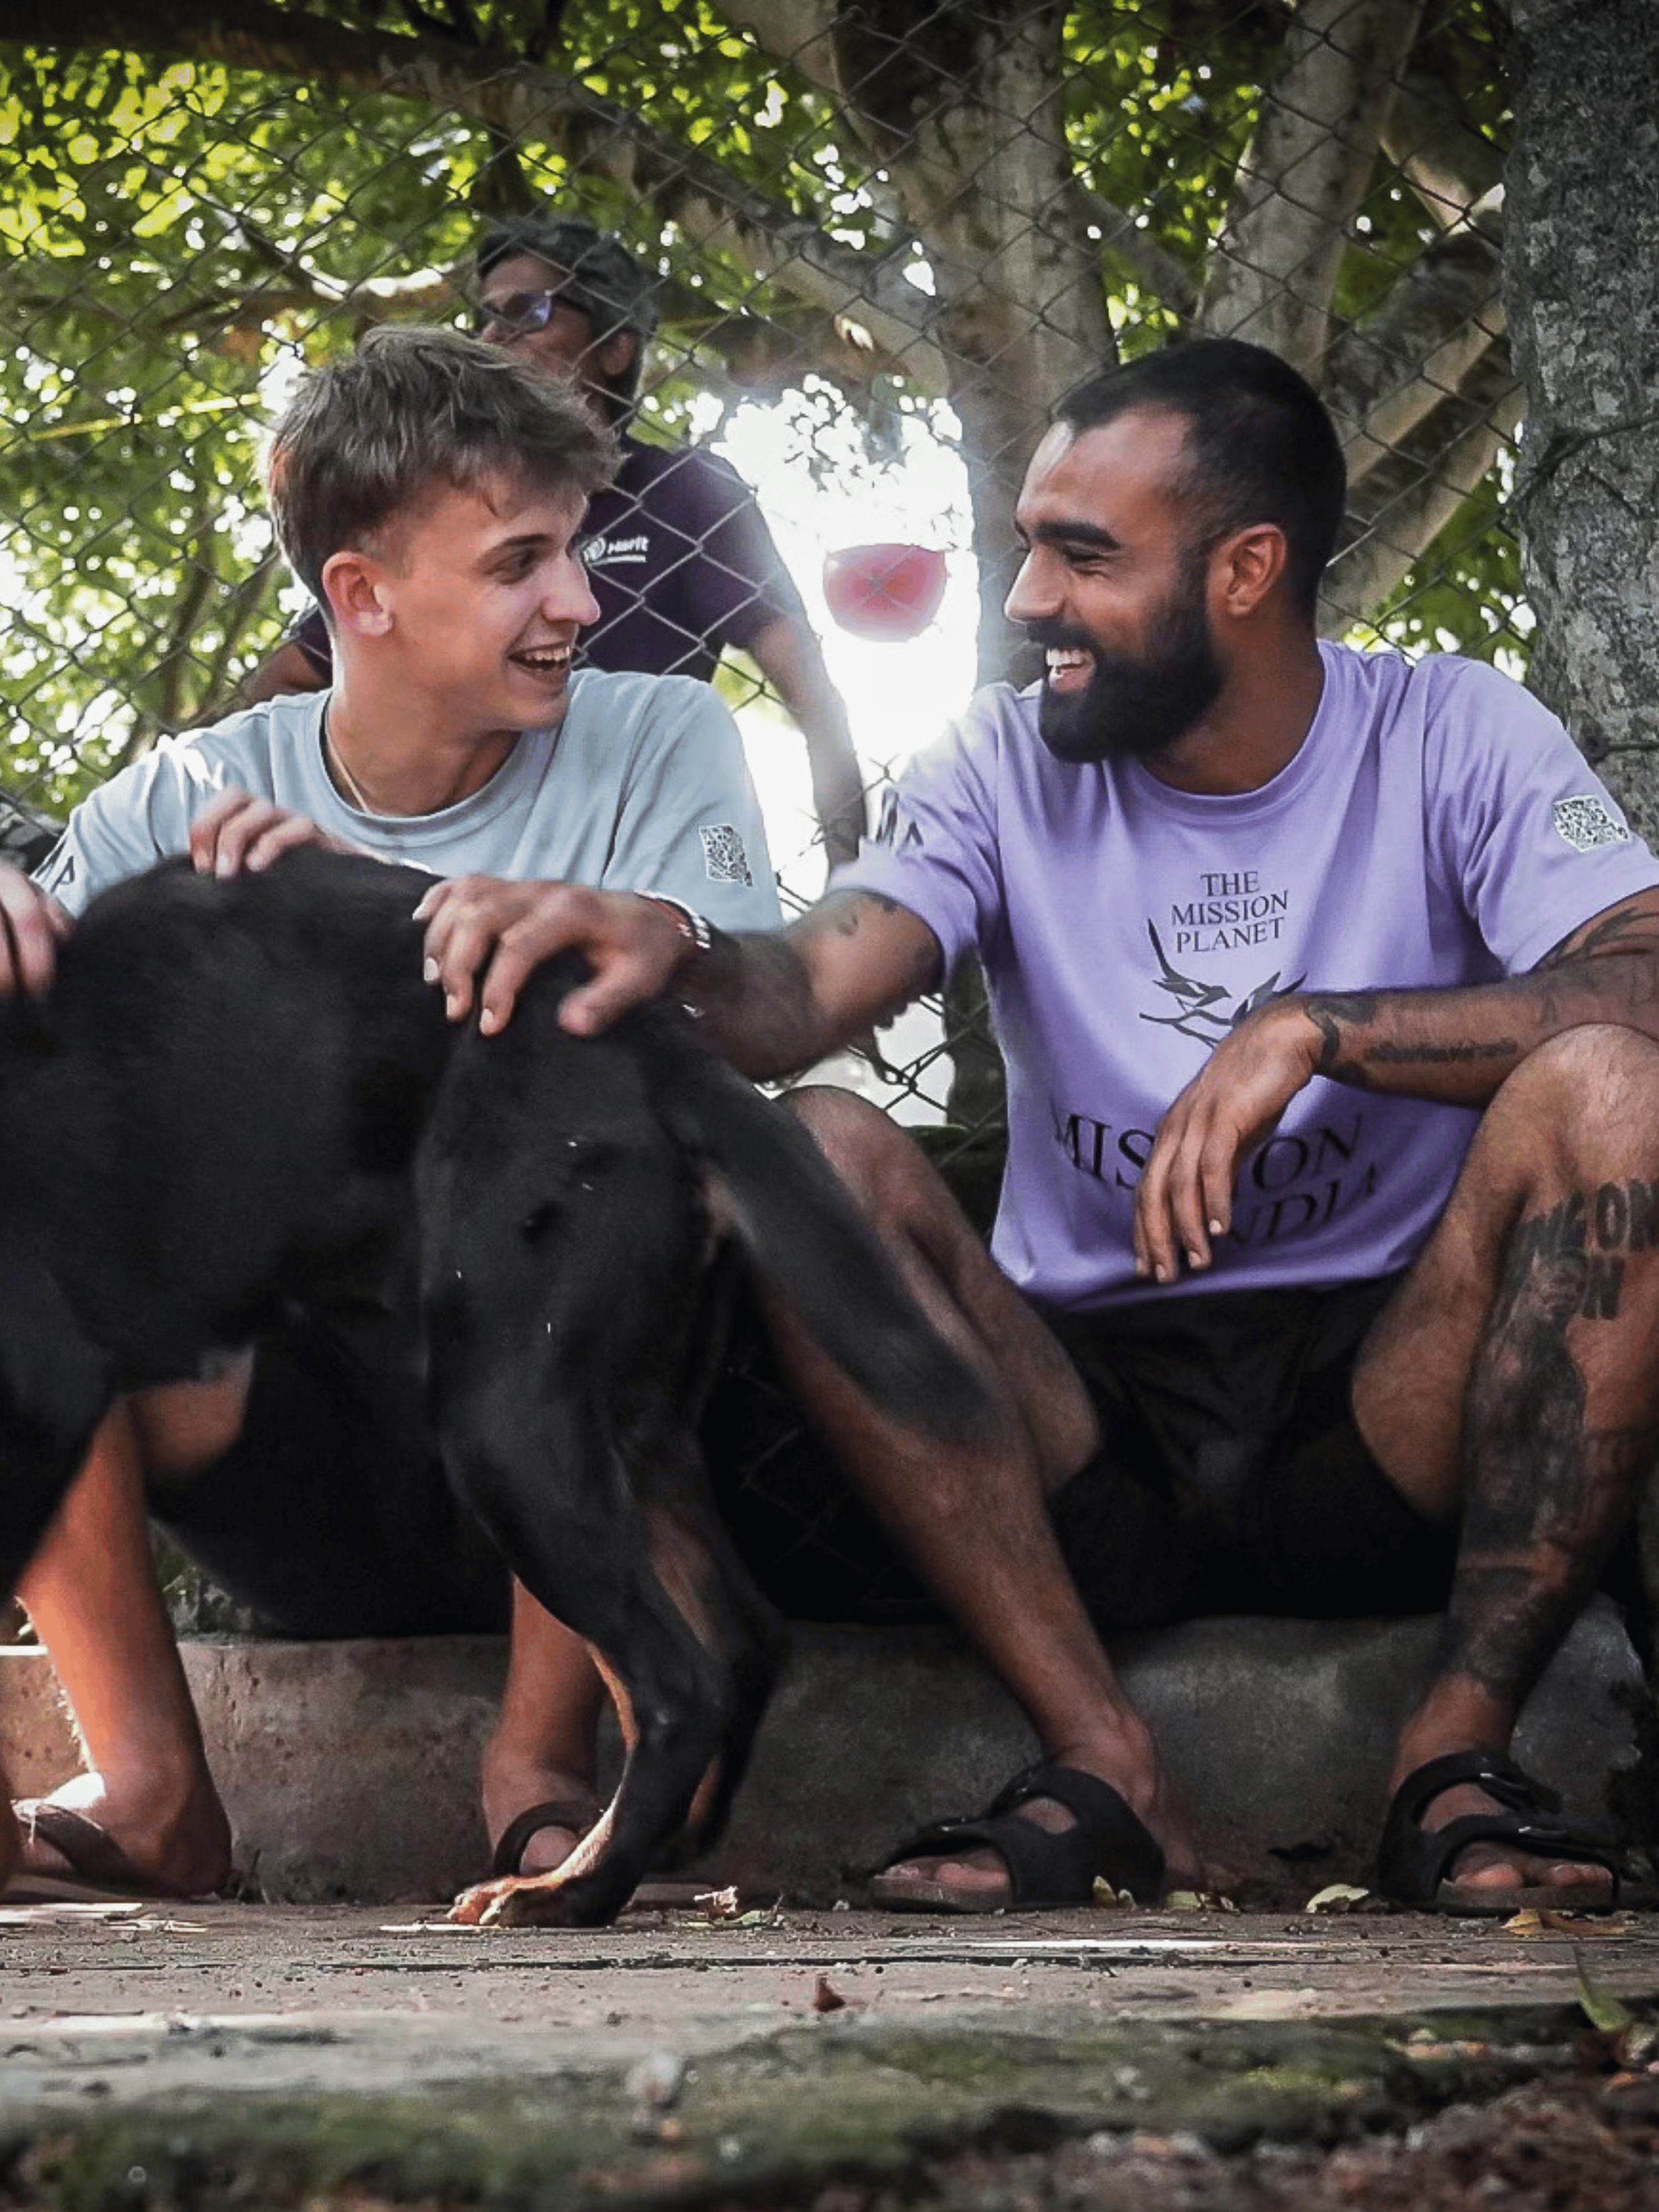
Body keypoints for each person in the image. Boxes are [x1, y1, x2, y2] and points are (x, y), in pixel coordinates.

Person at [416, 336, 1659, 1919]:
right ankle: (1100, 1762)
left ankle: (1454, 1748)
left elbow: (1645, 978)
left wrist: (1326, 1028)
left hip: (1388, 1408)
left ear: (1245, 568)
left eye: (1083, 555)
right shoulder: (1001, 762)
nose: (1024, 603)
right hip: (1087, 1429)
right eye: (1026, 549)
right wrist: (676, 943)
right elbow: (810, 987)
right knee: (818, 1146)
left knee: (1617, 1085)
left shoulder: (1452, 731)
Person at [0, 324, 781, 1903]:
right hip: (275, 1438)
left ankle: (540, 1771)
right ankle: (155, 1791)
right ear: (363, 597)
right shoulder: (179, 792)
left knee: (586, 1168)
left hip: (553, 1410)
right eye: (522, 563)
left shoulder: (661, 737)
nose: (580, 600)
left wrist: (352, 925)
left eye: (571, 550)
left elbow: (716, 1037)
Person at [247, 213, 866, 871]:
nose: (494, 334)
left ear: (613, 347)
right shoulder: (447, 503)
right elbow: (286, 681)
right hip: (445, 856)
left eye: (528, 312)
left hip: (618, 844)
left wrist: (851, 875)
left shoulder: (684, 491)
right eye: (486, 317)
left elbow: (807, 685)